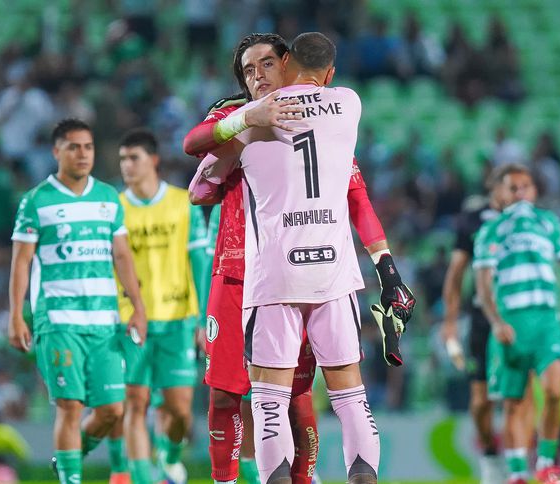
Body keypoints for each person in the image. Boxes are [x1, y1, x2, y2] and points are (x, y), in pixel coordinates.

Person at [183, 32, 412, 484]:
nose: (258, 76)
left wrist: (240, 126)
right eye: (248, 71)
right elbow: (358, 194)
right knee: (240, 395)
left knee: (288, 399)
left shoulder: (243, 124)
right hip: (279, 272)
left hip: (270, 275)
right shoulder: (338, 106)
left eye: (267, 65)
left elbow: (199, 184)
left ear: (287, 64)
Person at [8, 118, 147, 484]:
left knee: (111, 411)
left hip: (105, 322)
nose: (82, 154)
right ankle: (71, 477)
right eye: (73, 147)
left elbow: (122, 257)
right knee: (70, 407)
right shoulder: (37, 201)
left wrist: (138, 307)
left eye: (87, 147)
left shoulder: (107, 198)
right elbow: (21, 261)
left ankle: (69, 457)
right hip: (58, 321)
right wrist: (15, 316)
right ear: (57, 152)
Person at [473, 163, 560, 484]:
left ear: (535, 190)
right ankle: (517, 473)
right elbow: (483, 287)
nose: (520, 193)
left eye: (526, 186)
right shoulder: (490, 230)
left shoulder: (549, 223)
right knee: (514, 405)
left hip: (546, 321)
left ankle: (545, 464)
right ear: (500, 193)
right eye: (513, 187)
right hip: (511, 323)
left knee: (555, 391)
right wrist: (496, 321)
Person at [115, 128, 211, 484]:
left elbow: (200, 263)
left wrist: (204, 319)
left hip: (177, 319)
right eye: (123, 159)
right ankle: (143, 478)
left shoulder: (181, 202)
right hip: (131, 323)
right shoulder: (115, 209)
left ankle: (169, 457)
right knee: (134, 404)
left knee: (180, 411)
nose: (127, 165)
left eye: (134, 158)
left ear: (153, 160)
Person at [441, 175, 534, 484]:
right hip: (482, 319)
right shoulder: (473, 221)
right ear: (494, 189)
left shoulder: (529, 221)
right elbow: (456, 275)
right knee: (481, 401)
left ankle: (519, 466)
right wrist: (451, 321)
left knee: (518, 397)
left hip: (520, 317)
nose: (516, 193)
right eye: (510, 187)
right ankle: (491, 456)